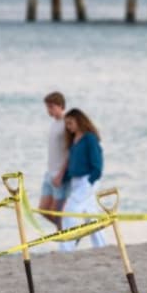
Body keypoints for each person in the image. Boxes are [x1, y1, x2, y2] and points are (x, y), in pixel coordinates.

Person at [58, 108, 106, 252]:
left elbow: (97, 163)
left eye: (70, 123)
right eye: (66, 124)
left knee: (69, 211)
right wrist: (63, 178)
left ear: (79, 121)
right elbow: (73, 164)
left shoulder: (89, 138)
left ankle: (67, 248)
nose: (68, 126)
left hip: (87, 180)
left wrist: (91, 180)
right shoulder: (74, 141)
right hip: (76, 181)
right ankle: (102, 246)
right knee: (91, 216)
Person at [39, 92, 69, 231]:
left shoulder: (66, 124)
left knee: (58, 213)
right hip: (49, 173)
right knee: (43, 209)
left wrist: (61, 174)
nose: (48, 110)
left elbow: (71, 152)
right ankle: (69, 232)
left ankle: (67, 239)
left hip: (59, 175)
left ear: (61, 106)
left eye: (51, 107)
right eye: (47, 107)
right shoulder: (54, 124)